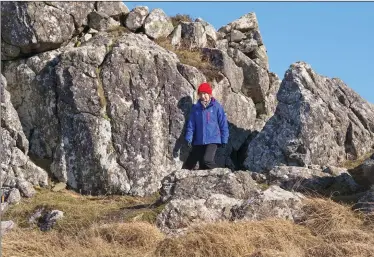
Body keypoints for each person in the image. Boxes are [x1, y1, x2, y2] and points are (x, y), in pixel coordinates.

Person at [183, 82, 229, 170]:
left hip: (213, 139)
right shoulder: (196, 108)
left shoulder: (216, 107)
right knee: (192, 162)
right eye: (201, 94)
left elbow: (223, 124)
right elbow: (191, 125)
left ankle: (221, 174)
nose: (203, 96)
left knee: (207, 160)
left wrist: (224, 139)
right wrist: (189, 137)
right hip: (199, 140)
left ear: (209, 94)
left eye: (205, 93)